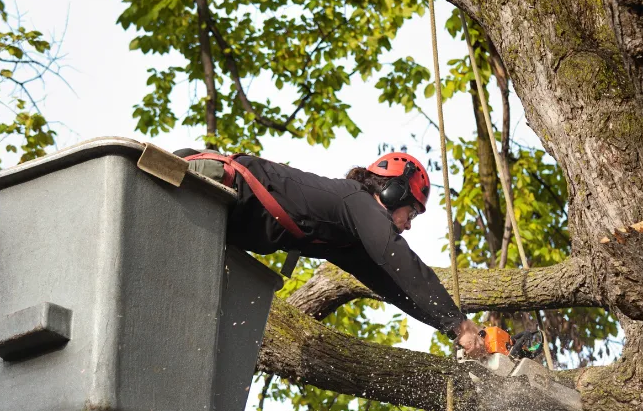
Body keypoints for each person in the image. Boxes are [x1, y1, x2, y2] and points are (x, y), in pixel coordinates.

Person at [175, 148, 487, 358]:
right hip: (206, 183)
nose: (408, 225)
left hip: (215, 217)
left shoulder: (347, 238)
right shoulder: (357, 200)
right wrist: (461, 324)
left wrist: (451, 327)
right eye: (412, 212)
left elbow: (397, 286)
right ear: (394, 191)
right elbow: (399, 258)